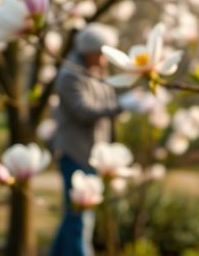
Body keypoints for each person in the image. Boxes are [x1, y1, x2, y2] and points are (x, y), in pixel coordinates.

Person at [49, 23, 123, 256]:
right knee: (81, 219)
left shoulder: (97, 72)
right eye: (103, 53)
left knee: (73, 217)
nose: (105, 59)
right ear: (89, 51)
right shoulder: (70, 75)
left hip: (93, 154)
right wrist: (121, 106)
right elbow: (83, 111)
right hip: (75, 154)